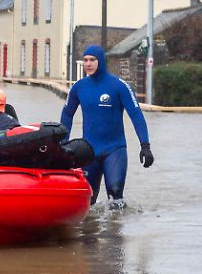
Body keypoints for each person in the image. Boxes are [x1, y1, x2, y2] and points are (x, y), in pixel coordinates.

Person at [60, 45, 154, 206]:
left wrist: (145, 145)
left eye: (92, 60)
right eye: (85, 60)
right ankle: (89, 231)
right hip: (89, 151)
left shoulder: (118, 85)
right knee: (87, 200)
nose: (88, 64)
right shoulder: (78, 87)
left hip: (114, 149)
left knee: (115, 193)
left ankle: (115, 230)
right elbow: (67, 114)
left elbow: (136, 115)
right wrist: (62, 145)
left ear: (101, 61)